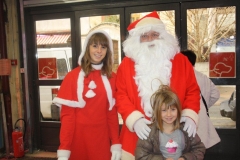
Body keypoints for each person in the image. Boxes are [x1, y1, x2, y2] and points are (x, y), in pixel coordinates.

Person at [115, 11, 200, 159]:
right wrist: (134, 119)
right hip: (136, 136)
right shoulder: (126, 65)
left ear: (163, 36)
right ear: (137, 41)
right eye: (144, 36)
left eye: (155, 34)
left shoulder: (181, 61)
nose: (150, 40)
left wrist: (190, 114)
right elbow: (120, 95)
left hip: (174, 133)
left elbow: (192, 91)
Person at [53, 30, 121, 160]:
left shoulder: (112, 78)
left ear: (108, 50)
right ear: (87, 48)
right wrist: (64, 147)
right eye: (95, 46)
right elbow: (68, 117)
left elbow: (112, 115)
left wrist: (116, 142)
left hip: (101, 139)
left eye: (103, 47)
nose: (99, 51)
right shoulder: (72, 77)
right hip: (78, 138)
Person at [135, 85, 206, 160]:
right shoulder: (149, 132)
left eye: (173, 109)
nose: (169, 114)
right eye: (164, 110)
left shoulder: (186, 128)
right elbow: (141, 156)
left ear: (178, 110)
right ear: (157, 111)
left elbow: (199, 149)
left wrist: (185, 158)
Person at [181, 49, 221, 149]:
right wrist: (204, 107)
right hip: (201, 119)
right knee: (200, 150)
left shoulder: (181, 76)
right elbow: (215, 94)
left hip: (186, 119)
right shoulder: (202, 76)